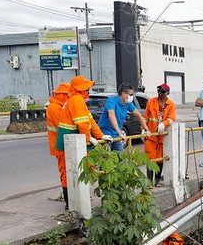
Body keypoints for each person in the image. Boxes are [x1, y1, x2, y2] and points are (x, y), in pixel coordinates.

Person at [55, 75, 110, 209]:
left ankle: (75, 202)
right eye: (87, 88)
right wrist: (90, 139)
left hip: (72, 142)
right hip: (69, 144)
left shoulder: (77, 100)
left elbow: (90, 121)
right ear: (82, 89)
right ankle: (70, 205)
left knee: (74, 171)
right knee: (69, 173)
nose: (89, 90)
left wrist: (100, 136)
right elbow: (83, 124)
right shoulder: (76, 100)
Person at [142, 83, 177, 186]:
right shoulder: (151, 101)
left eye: (162, 92)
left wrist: (164, 123)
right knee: (150, 158)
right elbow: (146, 116)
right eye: (158, 91)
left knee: (160, 159)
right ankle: (149, 182)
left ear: (167, 93)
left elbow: (171, 118)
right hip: (150, 135)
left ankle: (156, 181)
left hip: (162, 137)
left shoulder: (171, 104)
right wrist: (143, 128)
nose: (160, 94)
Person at [97, 83, 146, 152]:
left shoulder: (128, 104)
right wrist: (120, 133)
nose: (132, 96)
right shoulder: (112, 101)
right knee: (105, 159)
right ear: (123, 93)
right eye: (130, 94)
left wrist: (146, 129)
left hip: (116, 135)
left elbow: (138, 115)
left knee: (121, 157)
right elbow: (111, 116)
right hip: (105, 135)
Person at [46, 82, 70, 208]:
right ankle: (68, 202)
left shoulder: (59, 106)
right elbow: (62, 126)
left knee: (68, 172)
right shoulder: (54, 108)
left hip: (64, 145)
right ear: (63, 95)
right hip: (60, 146)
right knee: (65, 172)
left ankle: (70, 199)